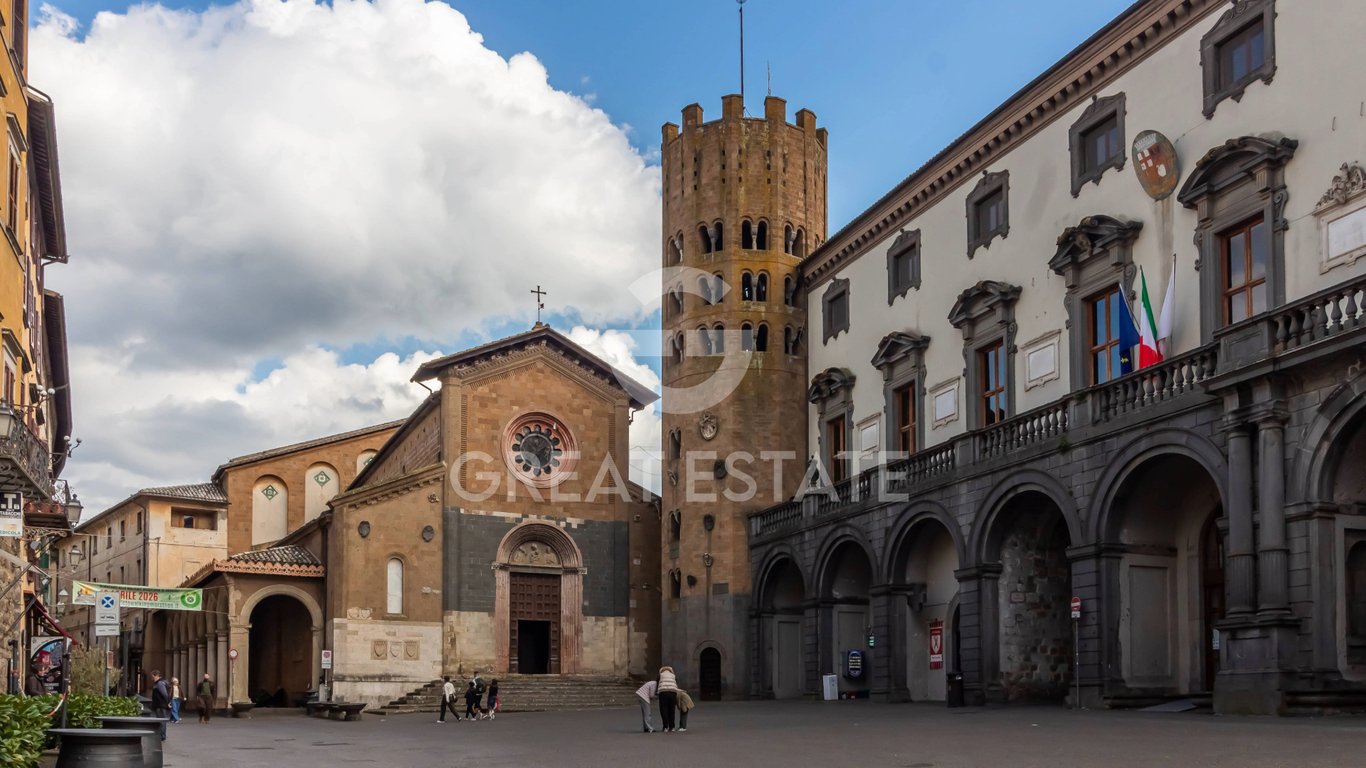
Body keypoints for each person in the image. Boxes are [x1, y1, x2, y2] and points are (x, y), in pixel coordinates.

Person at [656, 666, 679, 733]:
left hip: (663, 693)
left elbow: (657, 684)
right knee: (672, 710)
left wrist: (657, 693)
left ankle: (665, 727)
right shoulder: (673, 676)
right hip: (672, 693)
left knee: (664, 709)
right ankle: (672, 727)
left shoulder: (660, 675)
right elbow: (675, 684)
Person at [150, 670, 171, 741]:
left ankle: (162, 735)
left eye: (152, 676)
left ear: (156, 676)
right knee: (161, 720)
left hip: (160, 704)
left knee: (161, 720)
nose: (152, 678)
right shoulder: (160, 683)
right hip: (160, 704)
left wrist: (168, 702)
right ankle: (161, 734)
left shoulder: (160, 683)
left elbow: (165, 694)